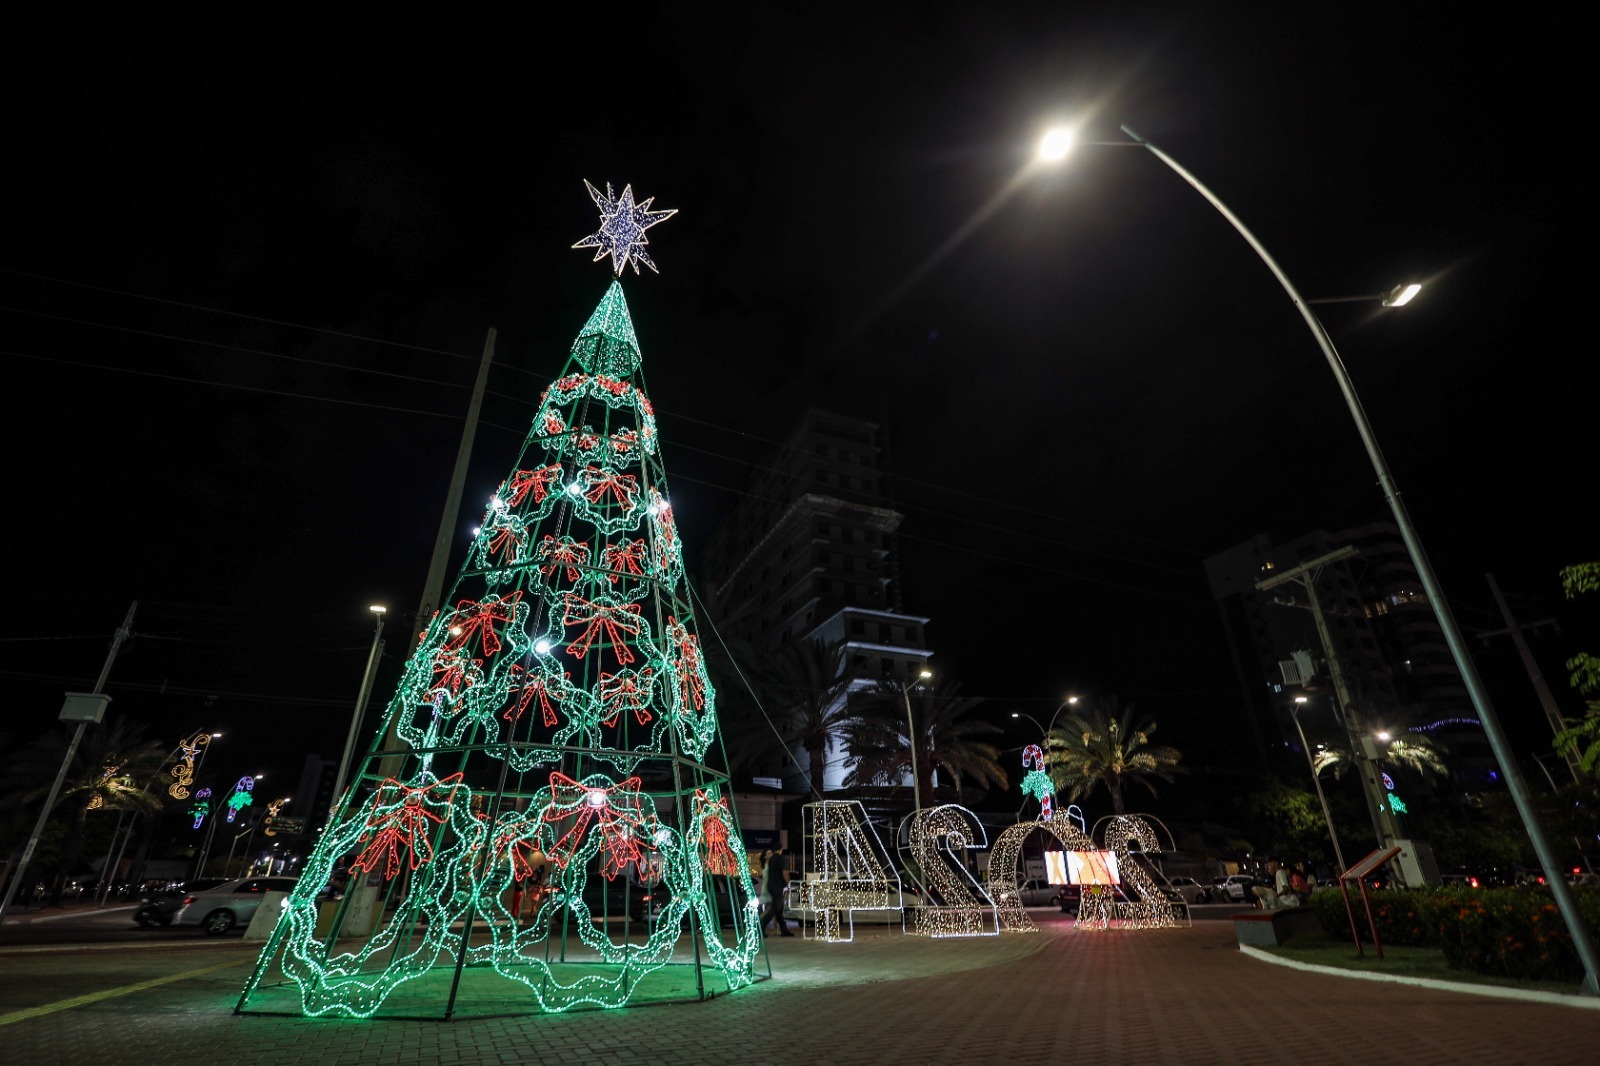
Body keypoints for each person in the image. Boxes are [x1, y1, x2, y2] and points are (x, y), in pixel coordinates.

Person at [761, 848, 792, 936]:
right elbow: (784, 872)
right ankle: (761, 926)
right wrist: (788, 883)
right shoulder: (779, 859)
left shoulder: (771, 861)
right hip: (776, 887)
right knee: (774, 908)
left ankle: (783, 929)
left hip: (771, 886)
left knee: (778, 908)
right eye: (768, 853)